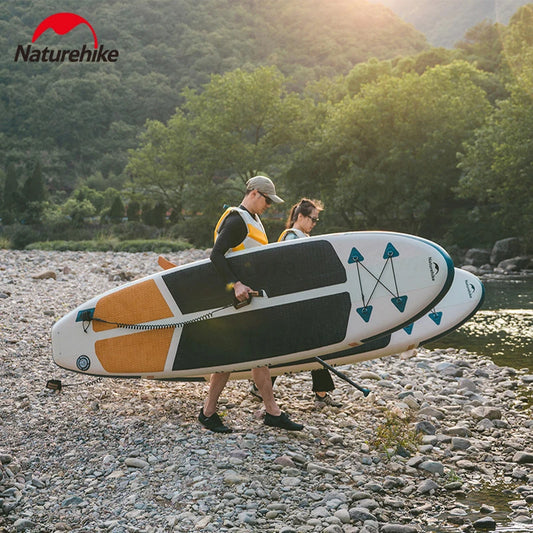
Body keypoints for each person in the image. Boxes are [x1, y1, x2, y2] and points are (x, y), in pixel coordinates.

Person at [198, 176, 304, 433]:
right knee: (230, 359)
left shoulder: (253, 220)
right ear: (255, 193)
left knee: (259, 357)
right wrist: (235, 284)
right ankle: (208, 412)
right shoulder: (236, 220)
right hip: (236, 301)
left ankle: (271, 411)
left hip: (250, 301)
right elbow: (216, 255)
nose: (269, 205)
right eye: (267, 199)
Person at [250, 198, 342, 408]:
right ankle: (261, 387)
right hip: (291, 305)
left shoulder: (300, 236)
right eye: (312, 219)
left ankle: (319, 392)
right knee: (296, 346)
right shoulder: (291, 238)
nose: (314, 223)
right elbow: (288, 272)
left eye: (316, 220)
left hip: (298, 303)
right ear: (300, 216)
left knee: (308, 345)